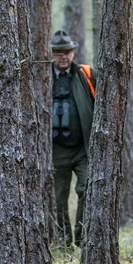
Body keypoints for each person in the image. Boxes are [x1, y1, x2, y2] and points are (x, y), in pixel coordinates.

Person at [50, 29, 96, 248]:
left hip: (82, 149)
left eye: (67, 51)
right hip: (55, 150)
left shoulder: (86, 75)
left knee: (88, 188)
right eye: (58, 52)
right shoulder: (42, 77)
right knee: (58, 198)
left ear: (73, 53)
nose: (63, 56)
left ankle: (82, 236)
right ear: (51, 53)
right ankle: (63, 242)